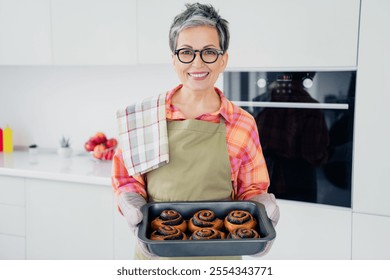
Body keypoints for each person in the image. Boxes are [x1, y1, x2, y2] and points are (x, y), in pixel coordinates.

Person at [112, 2, 279, 260]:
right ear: (174, 59)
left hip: (220, 259)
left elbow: (251, 189)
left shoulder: (242, 123)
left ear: (223, 59)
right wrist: (130, 201)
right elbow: (127, 179)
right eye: (186, 52)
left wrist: (262, 209)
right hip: (156, 254)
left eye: (209, 52)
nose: (198, 63)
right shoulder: (143, 116)